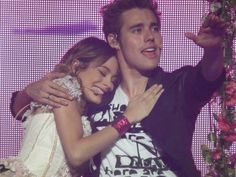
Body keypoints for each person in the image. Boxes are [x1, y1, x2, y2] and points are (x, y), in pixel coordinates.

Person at [9, 0, 227, 176]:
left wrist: (214, 50)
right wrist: (29, 91)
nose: (150, 37)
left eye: (154, 28)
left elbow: (207, 77)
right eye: (136, 30)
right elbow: (29, 114)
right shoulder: (97, 93)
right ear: (114, 40)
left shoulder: (176, 86)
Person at [1, 36, 163, 177]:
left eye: (113, 80)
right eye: (102, 72)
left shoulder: (84, 106)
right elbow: (77, 154)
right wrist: (127, 119)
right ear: (76, 66)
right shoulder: (64, 88)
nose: (108, 85)